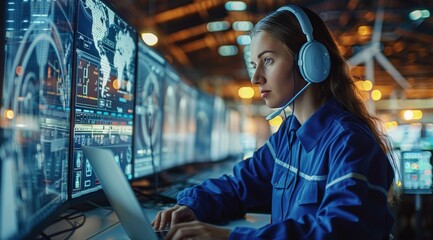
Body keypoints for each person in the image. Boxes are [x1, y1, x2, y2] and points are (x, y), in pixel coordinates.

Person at [152, 4, 397, 240]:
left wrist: (230, 237)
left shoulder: (350, 142)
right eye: (253, 65)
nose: (256, 78)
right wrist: (194, 205)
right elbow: (242, 184)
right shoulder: (288, 137)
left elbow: (338, 231)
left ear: (310, 61)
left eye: (267, 60)